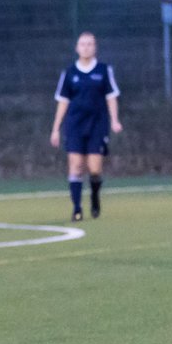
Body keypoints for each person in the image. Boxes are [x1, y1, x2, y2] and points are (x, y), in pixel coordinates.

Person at [49, 32, 122, 221]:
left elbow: (111, 97)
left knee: (95, 168)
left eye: (90, 44)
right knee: (75, 166)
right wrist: (56, 128)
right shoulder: (69, 73)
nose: (86, 47)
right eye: (82, 44)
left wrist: (114, 120)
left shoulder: (104, 70)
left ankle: (95, 198)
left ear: (95, 47)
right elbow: (63, 101)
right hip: (75, 125)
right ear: (77, 48)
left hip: (97, 125)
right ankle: (77, 208)